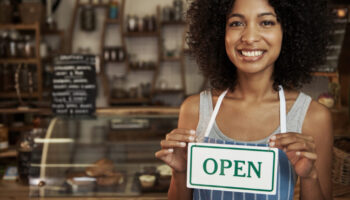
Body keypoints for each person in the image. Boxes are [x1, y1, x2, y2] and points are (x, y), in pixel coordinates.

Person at [155, 0, 333, 199]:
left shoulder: (313, 117)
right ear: (219, 32)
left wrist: (310, 177)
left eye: (266, 22)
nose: (249, 37)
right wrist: (180, 173)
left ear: (289, 32)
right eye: (236, 23)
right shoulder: (194, 110)